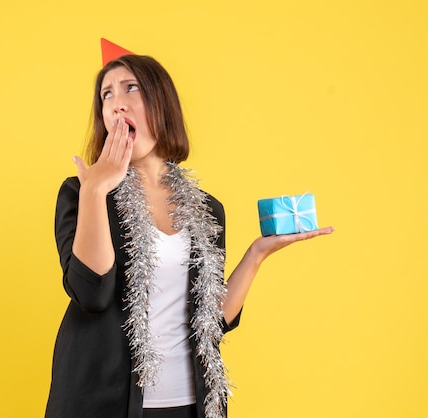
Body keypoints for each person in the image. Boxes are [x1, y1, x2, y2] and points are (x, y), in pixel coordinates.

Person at [45, 54, 334, 418]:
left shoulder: (208, 210)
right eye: (106, 95)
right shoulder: (81, 191)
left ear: (162, 104)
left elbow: (210, 322)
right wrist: (96, 191)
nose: (117, 103)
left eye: (130, 88)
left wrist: (257, 254)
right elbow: (92, 293)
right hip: (102, 403)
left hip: (192, 402)